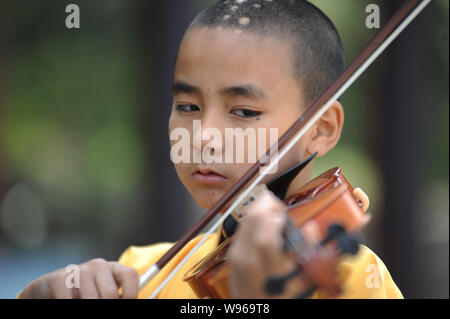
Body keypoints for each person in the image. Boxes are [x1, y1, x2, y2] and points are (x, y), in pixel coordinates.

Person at [18, 0, 403, 299]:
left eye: (244, 111)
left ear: (321, 128)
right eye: (188, 107)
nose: (203, 138)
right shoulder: (140, 270)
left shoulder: (349, 275)